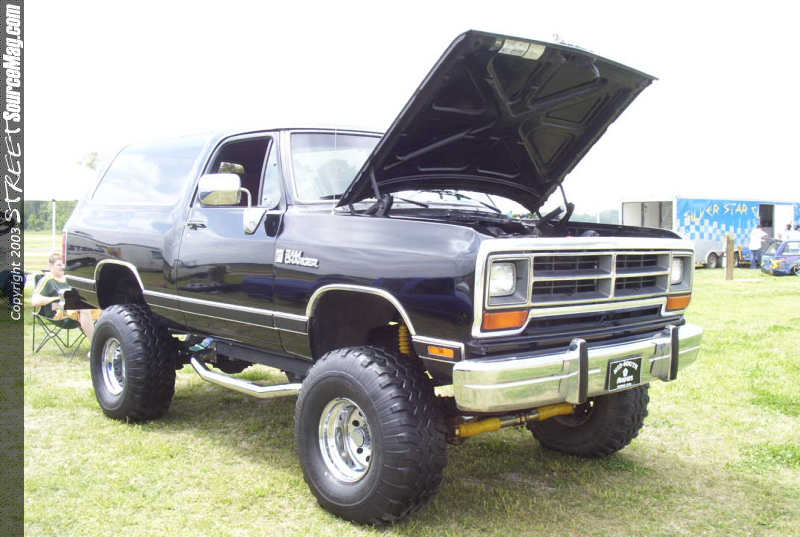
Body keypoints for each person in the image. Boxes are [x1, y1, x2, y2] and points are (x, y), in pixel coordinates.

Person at [31, 252, 101, 340]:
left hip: (73, 307)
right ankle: (95, 343)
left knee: (102, 307)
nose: (62, 267)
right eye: (59, 265)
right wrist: (58, 298)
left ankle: (104, 341)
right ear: (51, 266)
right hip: (57, 313)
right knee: (84, 309)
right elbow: (35, 301)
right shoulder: (47, 280)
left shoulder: (69, 278)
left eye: (64, 265)